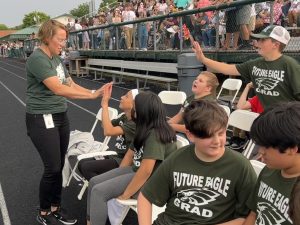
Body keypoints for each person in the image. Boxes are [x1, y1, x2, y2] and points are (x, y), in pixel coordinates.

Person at [25, 19, 112, 225]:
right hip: (41, 118)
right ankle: (44, 211)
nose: (64, 43)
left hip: (60, 116)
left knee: (60, 163)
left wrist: (93, 91)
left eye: (65, 39)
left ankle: (55, 207)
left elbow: (69, 83)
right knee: (53, 167)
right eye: (60, 39)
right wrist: (91, 98)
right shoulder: (38, 59)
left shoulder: (55, 58)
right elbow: (59, 89)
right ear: (47, 37)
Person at [138, 100, 257, 225]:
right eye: (208, 136)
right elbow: (146, 196)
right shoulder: (178, 158)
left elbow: (248, 217)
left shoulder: (240, 166)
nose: (217, 141)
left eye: (221, 133)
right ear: (190, 135)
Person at [86, 91, 177, 225]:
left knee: (99, 192)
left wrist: (125, 194)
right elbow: (130, 153)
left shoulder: (155, 133)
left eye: (135, 104)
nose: (132, 106)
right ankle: (90, 221)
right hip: (139, 172)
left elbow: (146, 170)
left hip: (153, 183)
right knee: (94, 182)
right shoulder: (143, 126)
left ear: (142, 110)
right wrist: (116, 179)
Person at [192, 25, 300, 108]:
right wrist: (203, 59)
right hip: (267, 120)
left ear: (276, 45)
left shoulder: (289, 65)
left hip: (286, 123)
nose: (257, 42)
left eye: (262, 40)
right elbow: (227, 69)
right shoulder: (255, 64)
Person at [243, 102, 300, 225]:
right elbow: (254, 213)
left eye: (266, 146)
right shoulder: (269, 170)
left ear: (291, 148)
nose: (260, 151)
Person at [78, 88, 137, 181]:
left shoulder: (134, 123)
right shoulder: (124, 117)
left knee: (87, 167)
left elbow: (108, 132)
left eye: (126, 96)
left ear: (134, 104)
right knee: (82, 163)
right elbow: (104, 125)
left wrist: (105, 105)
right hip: (117, 156)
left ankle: (104, 188)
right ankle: (101, 185)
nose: (121, 97)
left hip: (125, 161)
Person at [228, 82, 264, 151]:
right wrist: (247, 87)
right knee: (239, 113)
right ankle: (237, 138)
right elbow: (240, 106)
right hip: (254, 127)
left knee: (246, 114)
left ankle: (242, 138)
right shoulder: (258, 98)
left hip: (262, 130)